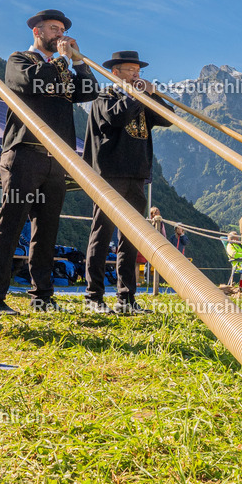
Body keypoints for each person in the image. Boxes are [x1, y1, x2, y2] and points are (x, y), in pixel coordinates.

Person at [0, 9, 97, 316]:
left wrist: (79, 62)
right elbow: (32, 83)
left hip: (56, 158)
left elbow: (89, 92)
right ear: (37, 32)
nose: (60, 34)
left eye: (63, 30)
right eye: (54, 29)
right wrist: (60, 60)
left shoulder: (64, 69)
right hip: (24, 152)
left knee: (47, 230)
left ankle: (42, 296)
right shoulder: (19, 60)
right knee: (11, 224)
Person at [83, 51, 172, 315]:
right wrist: (136, 95)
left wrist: (153, 95)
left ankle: (126, 298)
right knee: (102, 234)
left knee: (131, 238)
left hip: (137, 176)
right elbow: (116, 119)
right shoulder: (104, 96)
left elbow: (167, 118)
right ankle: (93, 296)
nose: (136, 76)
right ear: (115, 73)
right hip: (110, 175)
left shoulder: (142, 101)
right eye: (131, 71)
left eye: (138, 71)